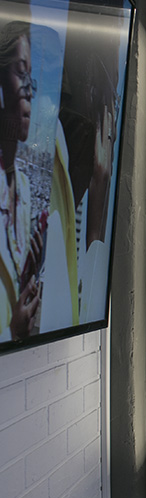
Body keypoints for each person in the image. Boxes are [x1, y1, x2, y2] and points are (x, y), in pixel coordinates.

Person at [0, 20, 43, 339]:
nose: (29, 88)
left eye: (31, 76)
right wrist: (12, 332)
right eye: (20, 71)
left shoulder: (25, 190)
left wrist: (32, 269)